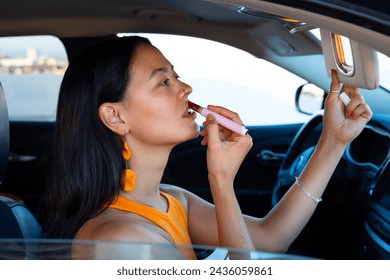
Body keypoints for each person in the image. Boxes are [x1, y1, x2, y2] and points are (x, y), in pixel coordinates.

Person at [42, 35, 372, 259]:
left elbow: (270, 238)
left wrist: (334, 139)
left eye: (177, 76)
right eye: (163, 82)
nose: (185, 88)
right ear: (115, 117)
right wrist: (221, 184)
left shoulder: (171, 200)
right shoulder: (118, 240)